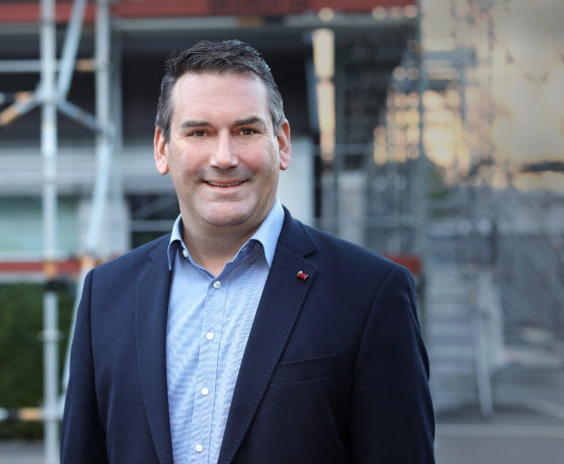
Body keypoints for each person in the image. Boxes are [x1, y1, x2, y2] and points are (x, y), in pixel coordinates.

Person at [61, 39, 435, 464]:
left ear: (282, 143)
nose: (224, 157)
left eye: (246, 131)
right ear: (162, 150)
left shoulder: (370, 293)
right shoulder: (105, 294)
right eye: (199, 132)